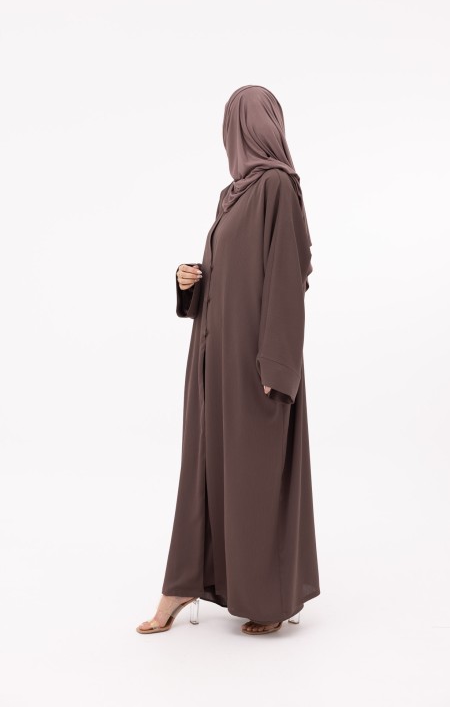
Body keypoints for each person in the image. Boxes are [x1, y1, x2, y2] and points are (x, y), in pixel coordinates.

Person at [136, 85, 320, 636]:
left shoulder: (278, 187)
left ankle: (268, 598)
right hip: (213, 359)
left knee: (254, 479)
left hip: (255, 365)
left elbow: (285, 277)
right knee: (205, 471)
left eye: (233, 125)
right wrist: (190, 281)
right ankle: (181, 585)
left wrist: (277, 366)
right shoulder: (232, 195)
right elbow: (234, 276)